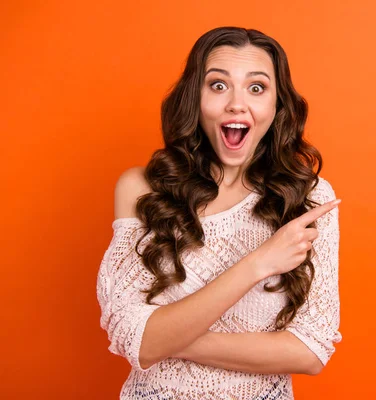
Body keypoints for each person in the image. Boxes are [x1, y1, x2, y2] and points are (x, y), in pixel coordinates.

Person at [96, 26, 342, 399]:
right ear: (194, 99)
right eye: (218, 85)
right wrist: (258, 263)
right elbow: (134, 338)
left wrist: (166, 337)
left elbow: (311, 350)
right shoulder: (143, 189)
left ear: (278, 106)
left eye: (256, 88)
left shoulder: (307, 199)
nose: (236, 104)